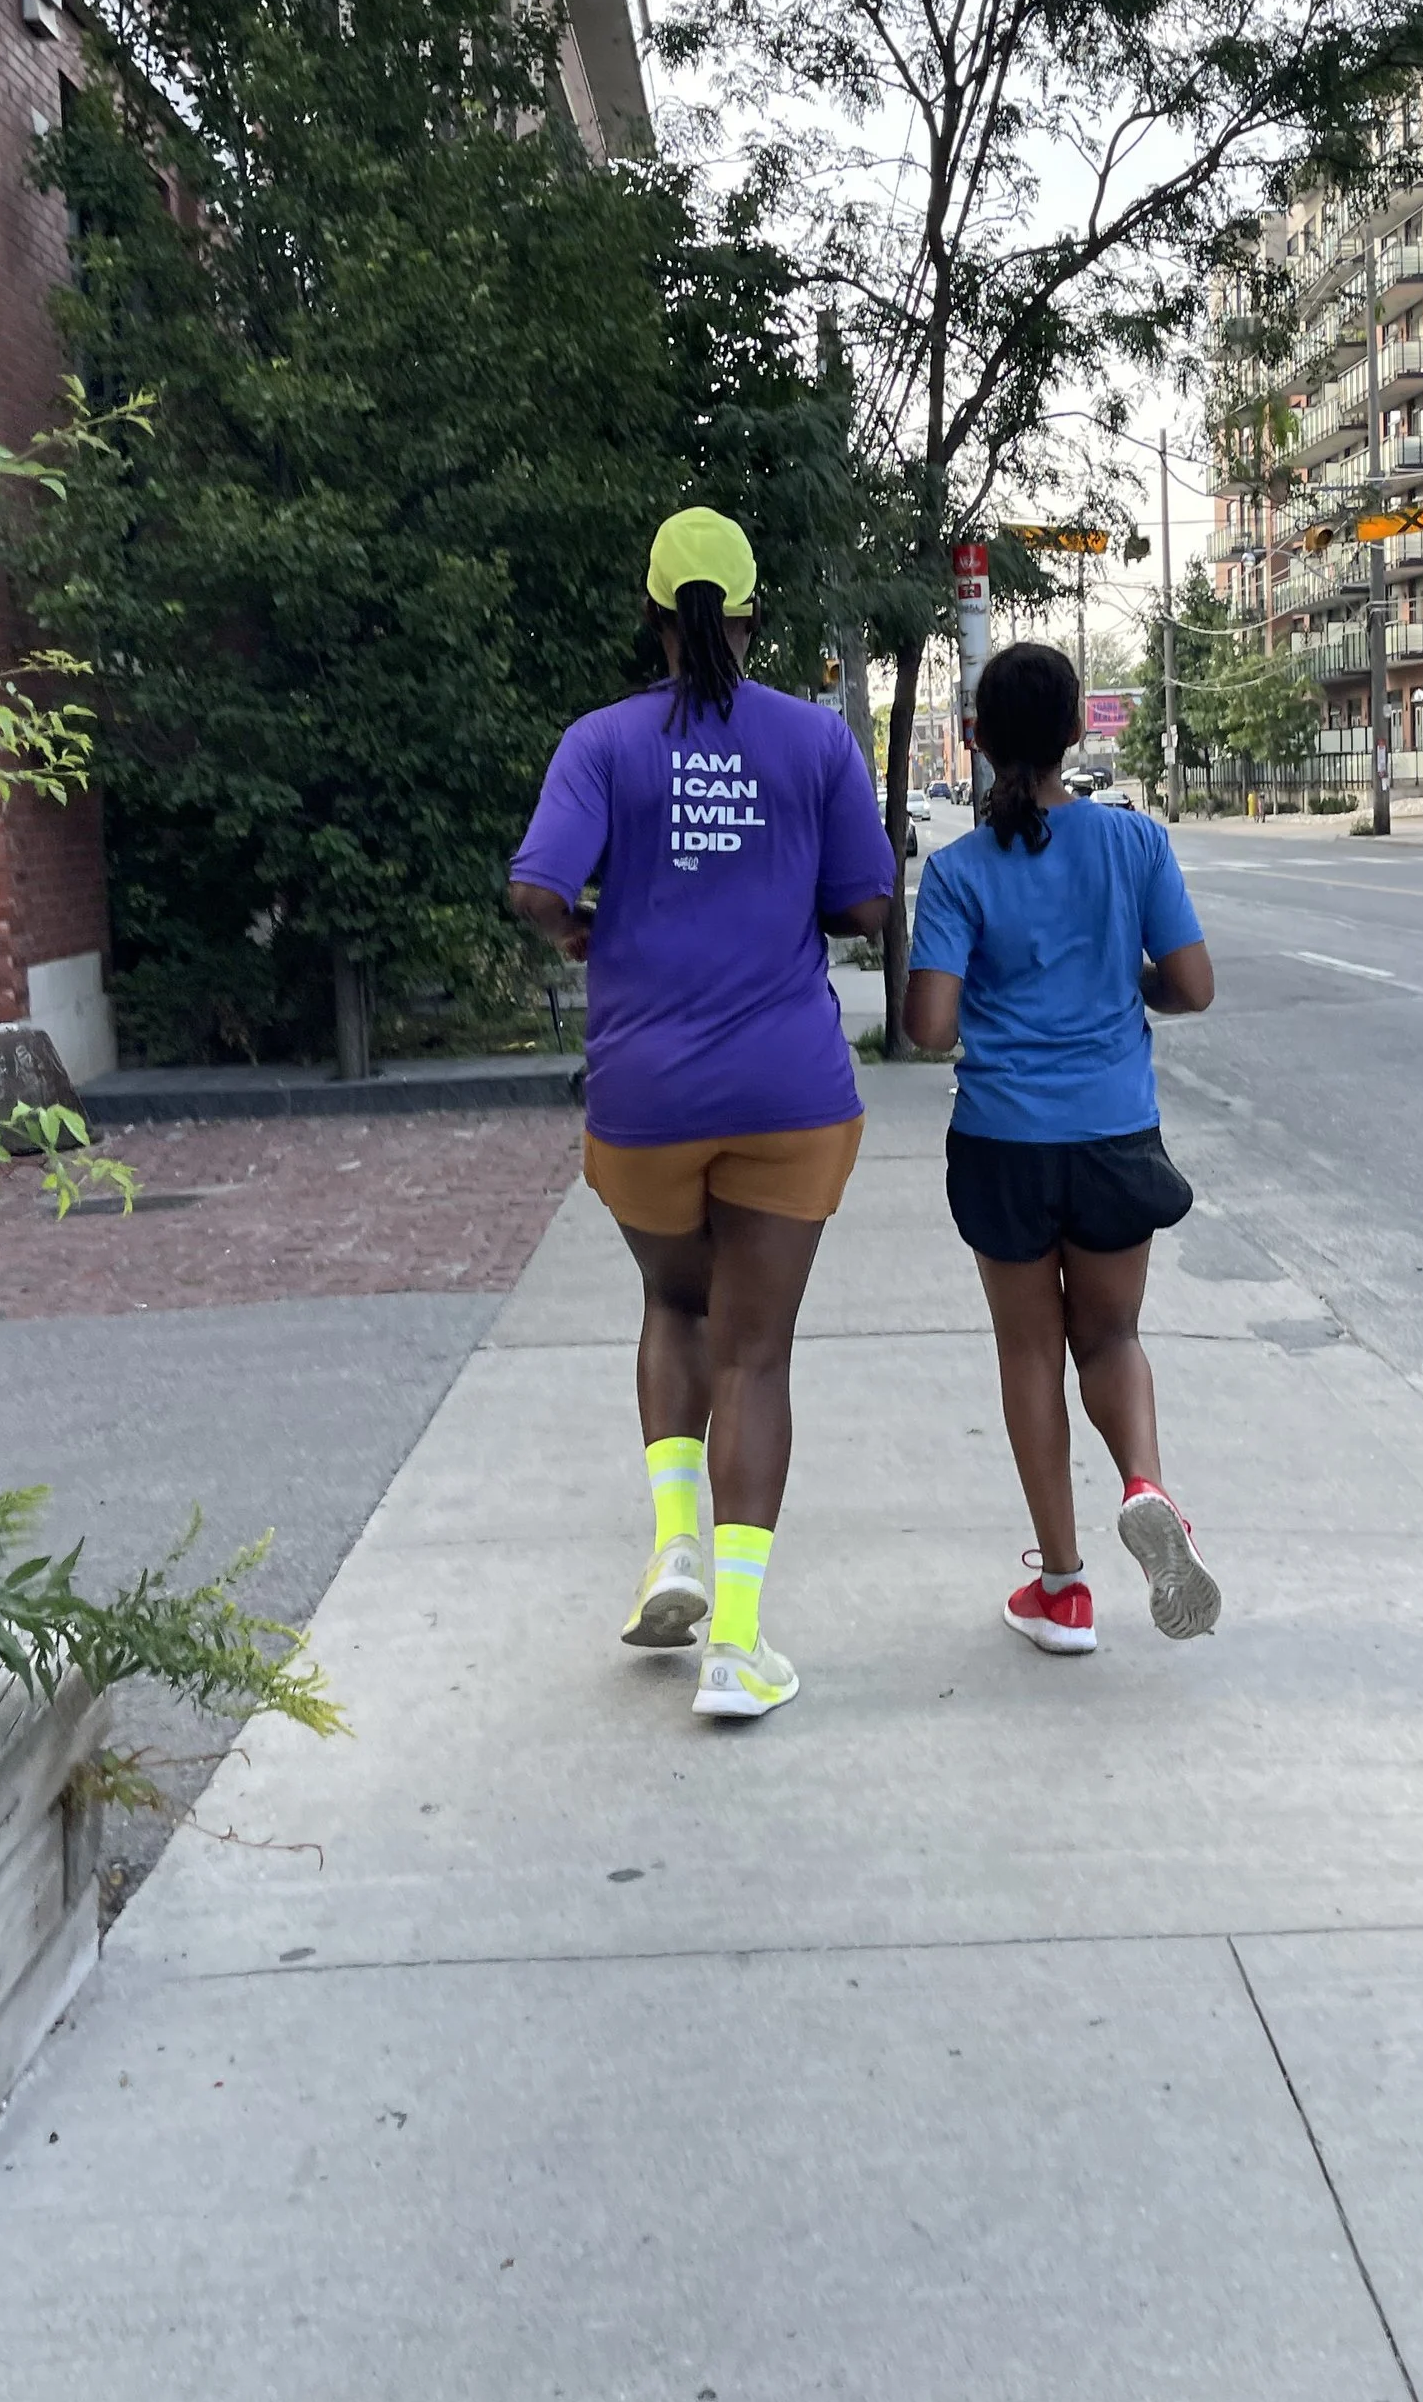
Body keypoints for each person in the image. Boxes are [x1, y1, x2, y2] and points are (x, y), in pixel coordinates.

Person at [508, 509, 896, 1722]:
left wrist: (578, 926)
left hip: (645, 1095)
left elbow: (534, 886)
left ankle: (673, 1543)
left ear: (652, 615)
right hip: (787, 1089)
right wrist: (779, 892)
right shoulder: (815, 738)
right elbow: (867, 906)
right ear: (749, 616)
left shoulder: (601, 742)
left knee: (675, 1305)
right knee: (756, 1353)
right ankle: (735, 1643)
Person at [905, 641, 1218, 1653]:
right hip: (1114, 1132)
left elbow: (929, 1027)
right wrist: (1128, 982)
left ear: (977, 738)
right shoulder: (1136, 845)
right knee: (1113, 1337)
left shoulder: (957, 872)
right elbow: (1193, 985)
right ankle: (1146, 1486)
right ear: (1079, 730)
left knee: (1030, 1352)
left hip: (1004, 1140)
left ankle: (1065, 1589)